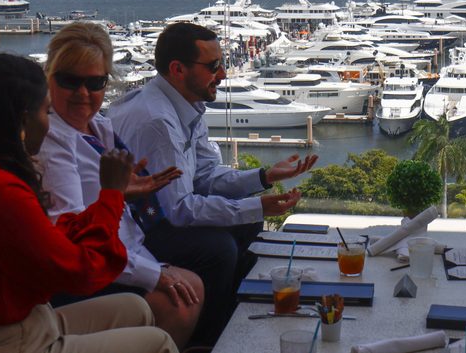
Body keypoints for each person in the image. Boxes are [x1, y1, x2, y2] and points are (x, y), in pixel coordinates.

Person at [0, 52, 176, 353]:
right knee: (159, 343)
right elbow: (81, 271)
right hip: (2, 342)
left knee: (136, 308)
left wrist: (113, 197)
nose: (49, 125)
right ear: (22, 120)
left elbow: (49, 241)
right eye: (46, 112)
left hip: (20, 323)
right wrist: (111, 195)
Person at [109, 21, 318, 343]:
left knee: (246, 225)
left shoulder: (185, 106)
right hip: (136, 228)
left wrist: (263, 177)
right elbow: (178, 210)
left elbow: (205, 176)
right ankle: (208, 340)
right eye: (213, 66)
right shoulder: (157, 122)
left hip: (157, 215)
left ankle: (233, 313)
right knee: (217, 249)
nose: (222, 75)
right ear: (178, 69)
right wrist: (256, 206)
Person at [37, 22, 204, 349]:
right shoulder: (52, 142)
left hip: (125, 246)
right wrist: (154, 275)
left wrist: (122, 191)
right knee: (183, 300)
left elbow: (103, 203)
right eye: (70, 81)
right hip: (84, 268)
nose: (83, 94)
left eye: (95, 82)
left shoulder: (99, 126)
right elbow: (71, 236)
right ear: (50, 78)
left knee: (196, 280)